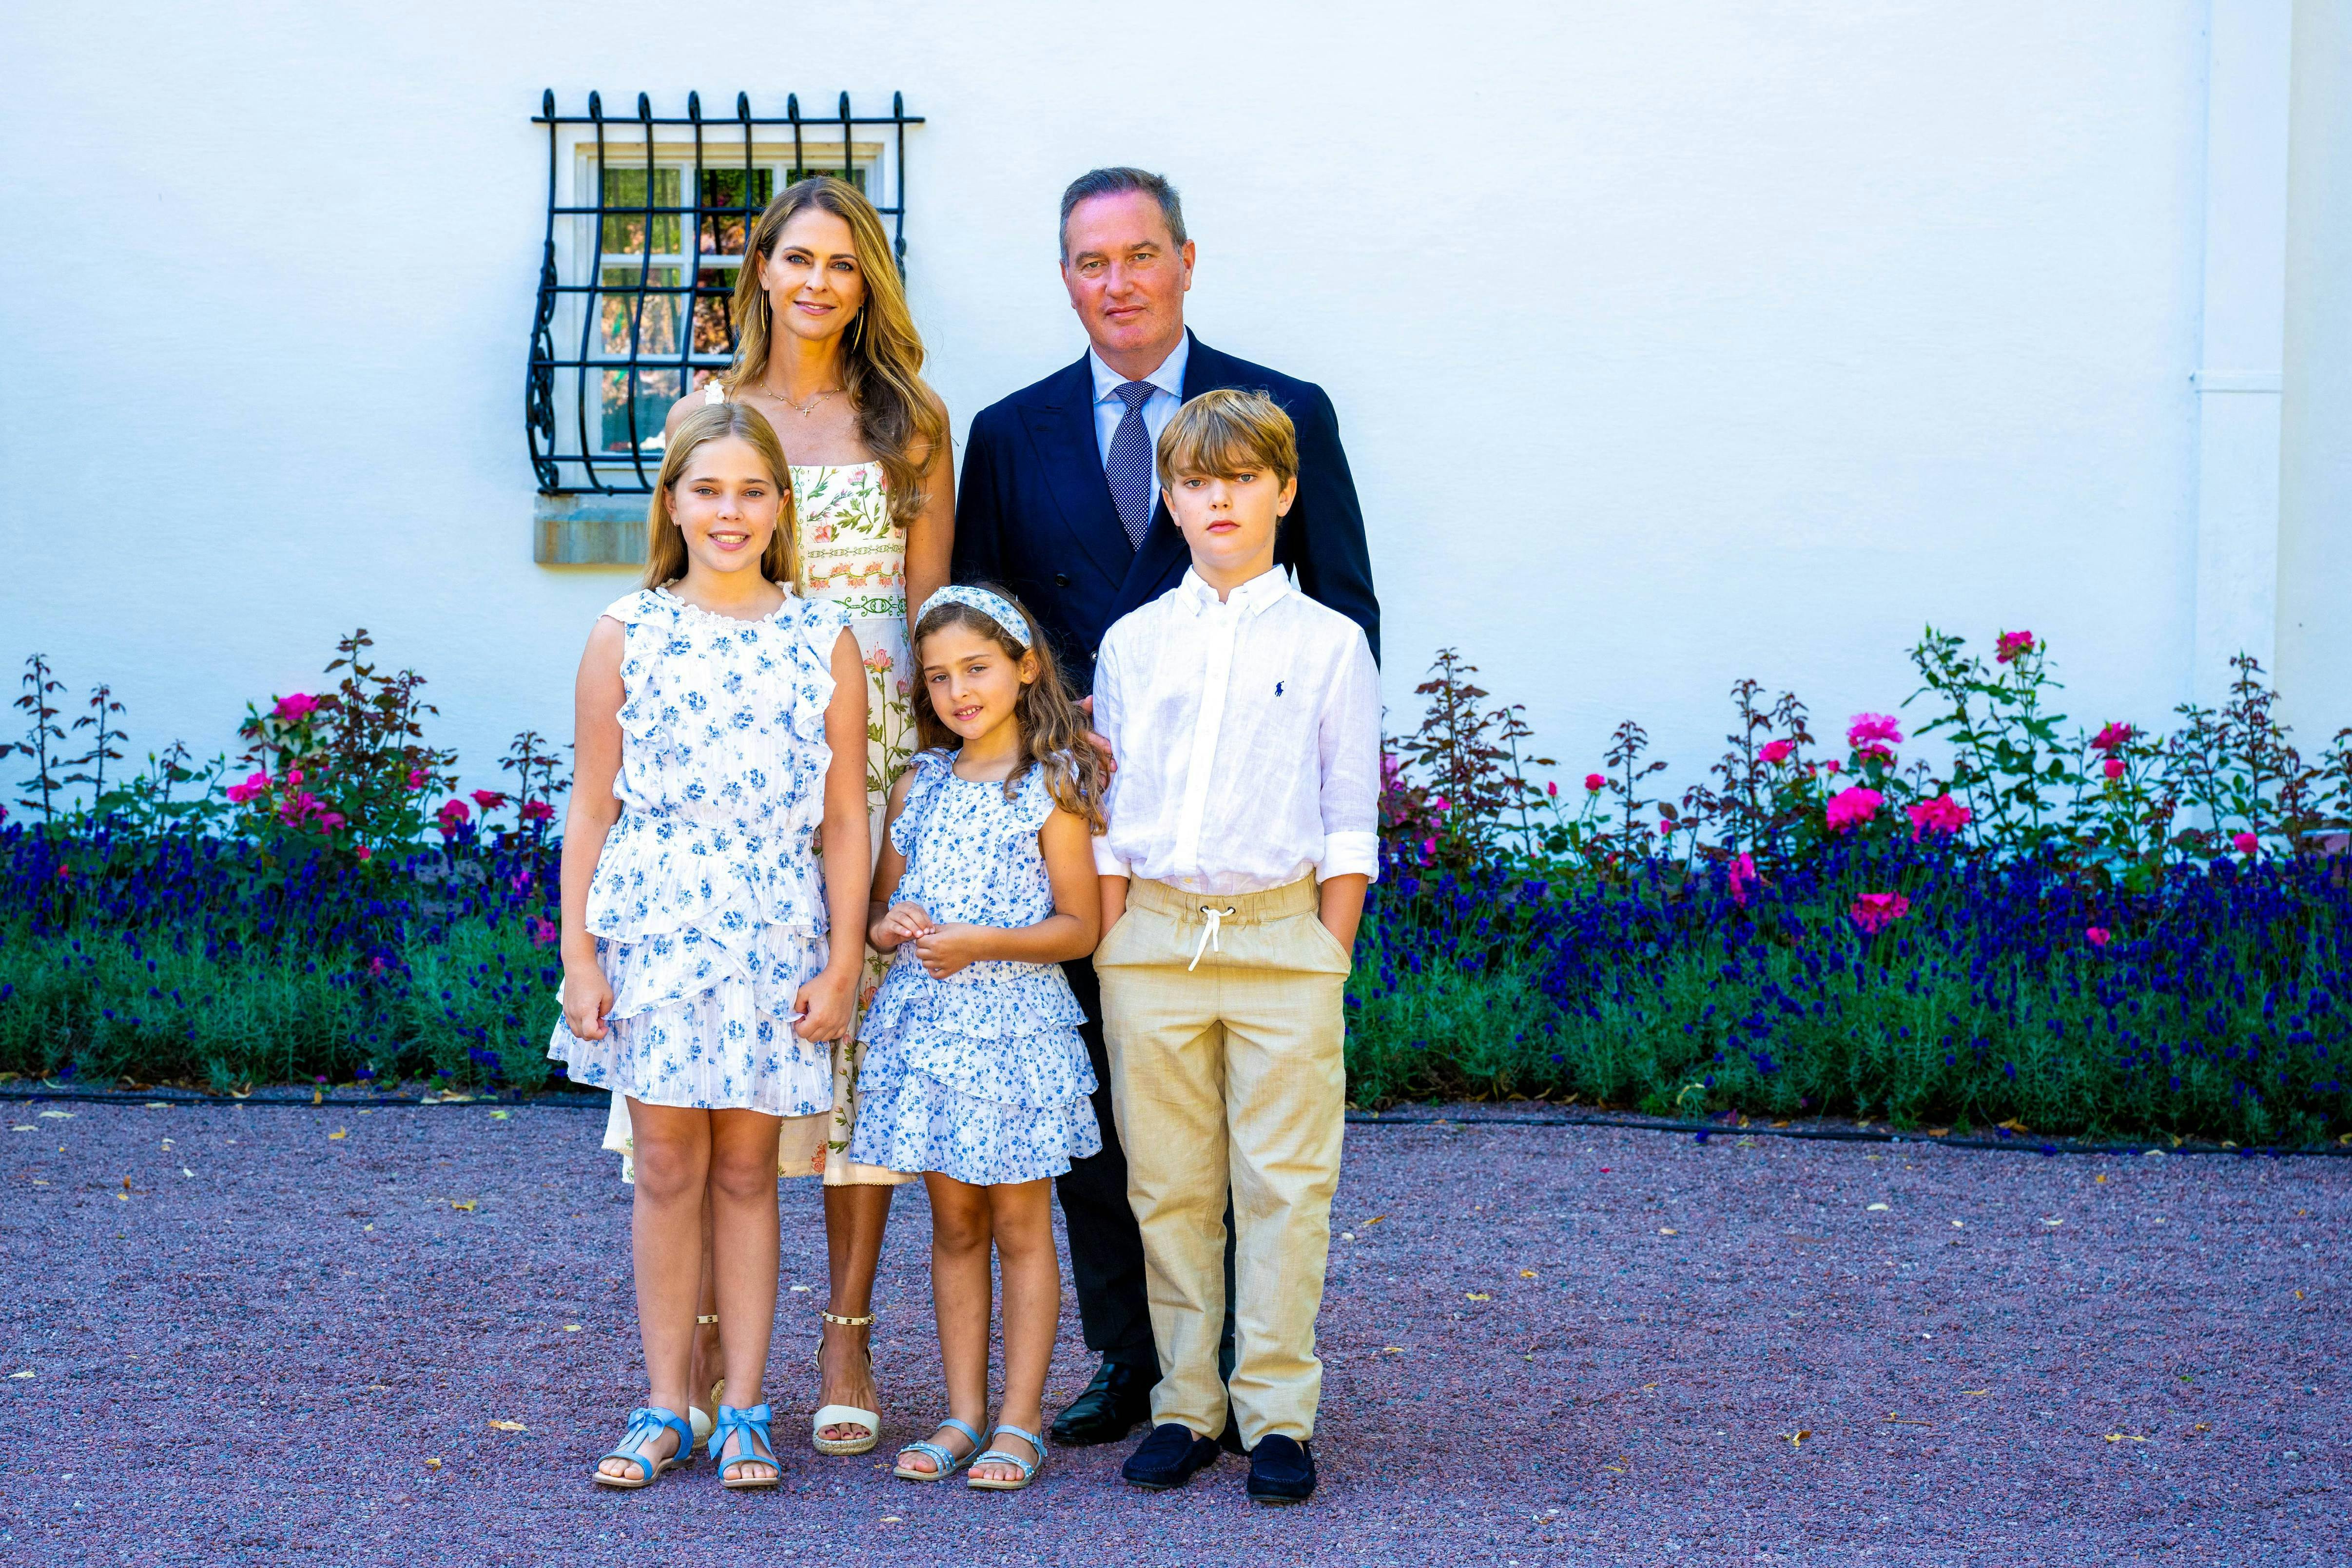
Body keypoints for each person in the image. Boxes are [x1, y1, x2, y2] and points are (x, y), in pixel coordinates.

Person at [952, 166, 1380, 1448]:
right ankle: (1134, 1363)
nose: (1119, 282)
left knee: (1262, 1147)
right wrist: (1048, 747)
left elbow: (1347, 606)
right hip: (1081, 824)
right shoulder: (1010, 428)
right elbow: (982, 621)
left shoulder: (1281, 412)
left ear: (1186, 261)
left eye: (1142, 255)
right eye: (1093, 262)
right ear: (1066, 277)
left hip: (1242, 833)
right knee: (1109, 1112)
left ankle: (1260, 1386)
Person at [605, 173, 956, 1456]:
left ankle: (846, 1329)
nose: (817, 283)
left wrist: (923, 791)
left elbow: (926, 619)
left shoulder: (910, 418)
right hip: (738, 747)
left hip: (869, 757)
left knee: (848, 1048)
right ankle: (696, 1343)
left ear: (870, 282)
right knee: (715, 1047)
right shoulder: (708, 413)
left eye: (844, 264)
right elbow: (683, 574)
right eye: (796, 258)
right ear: (759, 269)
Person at [551, 399, 873, 1491]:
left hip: (776, 926)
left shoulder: (820, 637)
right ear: (674, 504)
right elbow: (591, 807)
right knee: (665, 1165)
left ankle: (743, 1404)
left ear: (782, 505)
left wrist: (838, 963)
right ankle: (664, 1401)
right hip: (655, 924)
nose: (728, 511)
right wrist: (580, 956)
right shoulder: (626, 632)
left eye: (750, 490)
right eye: (707, 490)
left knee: (748, 1172)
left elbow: (843, 820)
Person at [1090, 389, 1379, 1505]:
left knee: (1284, 1186)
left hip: (1281, 940)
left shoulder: (1327, 644)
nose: (1219, 498)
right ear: (1171, 497)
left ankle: (1276, 1411)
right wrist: (1118, 940)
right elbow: (1107, 808)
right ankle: (1185, 1404)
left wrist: (1329, 949)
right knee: (1167, 1187)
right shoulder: (1133, 640)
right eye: (1197, 481)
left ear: (1283, 491)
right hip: (1155, 939)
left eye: (1243, 478)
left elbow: (1347, 809)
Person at [852, 585, 1108, 1491]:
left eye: (977, 668)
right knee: (953, 1223)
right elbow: (883, 909)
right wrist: (891, 926)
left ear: (1024, 666)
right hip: (929, 1034)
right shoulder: (918, 783)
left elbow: (1081, 926)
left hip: (1015, 1036)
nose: (959, 690)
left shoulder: (1051, 786)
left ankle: (1020, 1418)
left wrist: (986, 944)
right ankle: (962, 1412)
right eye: (938, 677)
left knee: (1019, 1222)